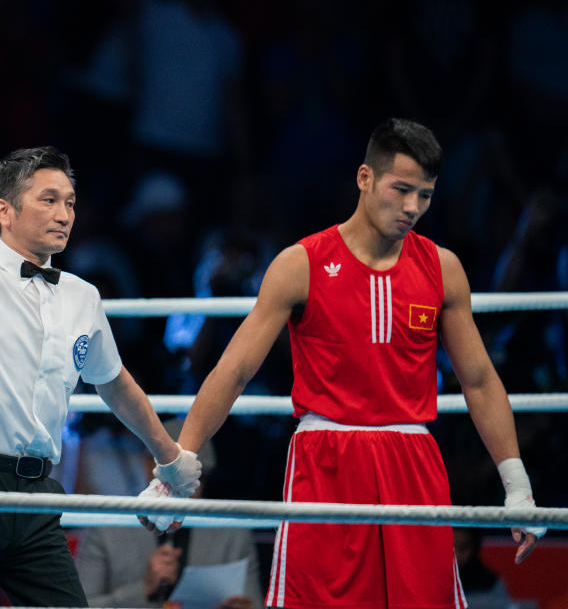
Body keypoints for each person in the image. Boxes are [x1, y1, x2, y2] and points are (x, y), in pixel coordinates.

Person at [171, 118, 546, 608]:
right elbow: (234, 370)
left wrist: (517, 486)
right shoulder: (301, 263)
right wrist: (177, 466)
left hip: (412, 460)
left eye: (426, 195)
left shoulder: (442, 268)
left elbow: (478, 380)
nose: (413, 207)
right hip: (326, 457)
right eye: (402, 190)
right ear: (365, 178)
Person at [0, 145, 202, 606]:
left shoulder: (82, 296)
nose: (64, 213)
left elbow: (114, 382)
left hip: (38, 492)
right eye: (48, 199)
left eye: (69, 202)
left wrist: (170, 457)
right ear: (4, 210)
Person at [77, 419, 264, 608]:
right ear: (147, 465)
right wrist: (142, 590)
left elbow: (253, 603)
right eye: (173, 473)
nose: (184, 487)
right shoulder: (106, 528)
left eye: (196, 476)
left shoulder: (233, 533)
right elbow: (80, 606)